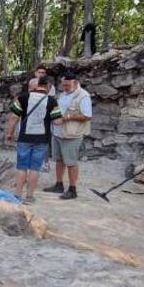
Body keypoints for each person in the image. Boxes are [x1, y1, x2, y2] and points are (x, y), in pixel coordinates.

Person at [5, 77, 61, 204]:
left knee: (21, 167)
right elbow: (57, 122)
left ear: (37, 85)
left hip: (24, 138)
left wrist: (9, 133)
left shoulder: (22, 97)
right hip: (42, 139)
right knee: (35, 168)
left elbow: (14, 117)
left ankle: (18, 195)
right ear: (47, 86)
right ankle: (29, 197)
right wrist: (66, 117)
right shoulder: (52, 101)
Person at [43, 72, 92, 200]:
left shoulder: (83, 96)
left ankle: (72, 189)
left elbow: (87, 116)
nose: (64, 87)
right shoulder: (63, 94)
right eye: (63, 85)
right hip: (58, 132)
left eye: (67, 85)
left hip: (72, 135)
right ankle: (59, 185)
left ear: (75, 83)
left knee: (71, 162)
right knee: (59, 160)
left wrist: (67, 118)